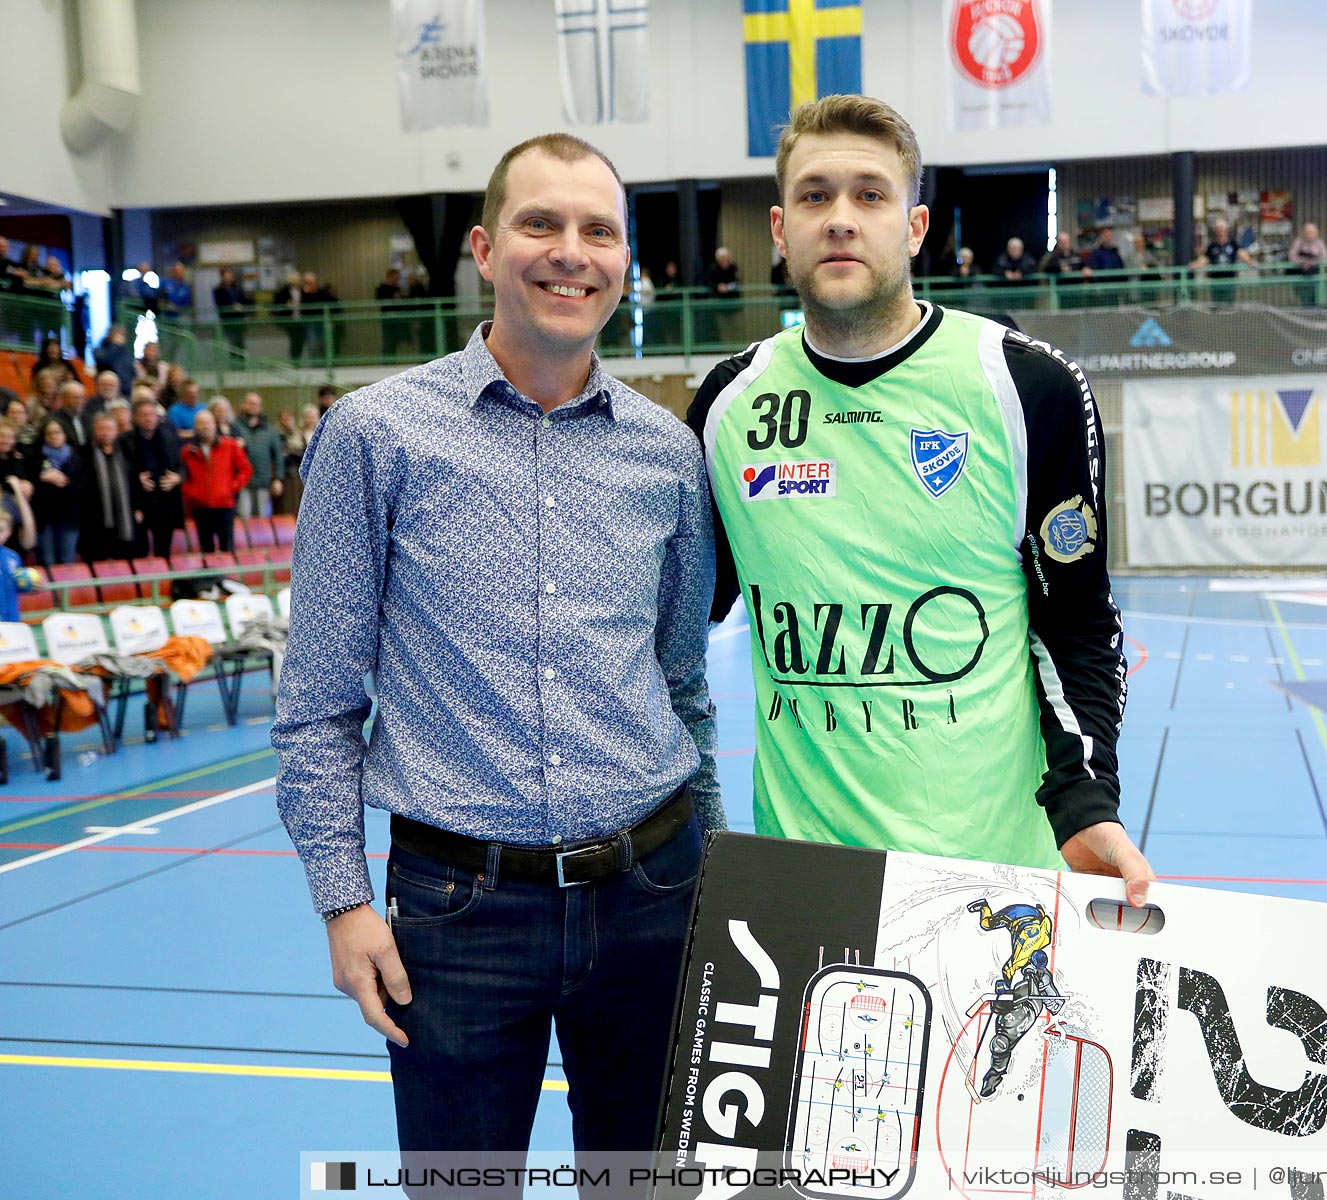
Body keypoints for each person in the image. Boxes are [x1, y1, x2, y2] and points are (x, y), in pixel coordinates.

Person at [271, 131, 721, 1188]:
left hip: (658, 892)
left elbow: (682, 686)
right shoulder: (376, 436)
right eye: (541, 223)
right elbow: (319, 704)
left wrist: (721, 878)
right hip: (458, 912)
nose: (571, 251)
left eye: (598, 231)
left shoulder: (669, 456)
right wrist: (343, 903)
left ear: (625, 262)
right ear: (483, 247)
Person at [687, 94, 1151, 901]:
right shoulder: (730, 405)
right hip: (805, 885)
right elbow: (678, 623)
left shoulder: (1023, 386)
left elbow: (1075, 623)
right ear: (778, 229)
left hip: (993, 882)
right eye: (814, 195)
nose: (840, 219)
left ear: (914, 226)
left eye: (870, 195)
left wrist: (1086, 798)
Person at [180, 409, 251, 554]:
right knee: (206, 549)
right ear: (195, 427)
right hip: (200, 506)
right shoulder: (188, 451)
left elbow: (246, 470)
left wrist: (233, 487)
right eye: (201, 424)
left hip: (224, 505)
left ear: (214, 425)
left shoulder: (230, 446)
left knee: (227, 548)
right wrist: (191, 492)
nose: (205, 427)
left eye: (208, 423)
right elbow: (183, 476)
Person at [126, 396, 184, 559]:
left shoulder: (170, 437)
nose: (149, 418)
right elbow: (120, 472)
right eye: (144, 414)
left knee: (164, 550)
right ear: (135, 417)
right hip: (139, 503)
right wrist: (136, 479)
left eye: (152, 414)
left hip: (166, 502)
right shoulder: (125, 441)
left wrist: (177, 478)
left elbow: (184, 465)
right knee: (139, 550)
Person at [83, 414, 137, 562]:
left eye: (109, 429)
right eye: (101, 429)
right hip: (95, 521)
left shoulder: (126, 452)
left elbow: (135, 483)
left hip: (124, 519)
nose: (105, 433)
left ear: (116, 431)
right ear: (94, 431)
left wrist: (138, 508)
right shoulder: (84, 453)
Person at [32, 419, 85, 566]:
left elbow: (84, 487)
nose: (53, 436)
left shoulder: (76, 457)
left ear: (64, 434)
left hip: (69, 517)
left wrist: (65, 482)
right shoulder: (36, 457)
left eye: (57, 432)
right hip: (45, 518)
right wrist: (43, 478)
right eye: (49, 433)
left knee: (67, 562)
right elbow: (31, 486)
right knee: (47, 561)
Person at [236, 392, 285, 518]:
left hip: (263, 482)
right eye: (250, 403)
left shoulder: (270, 431)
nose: (253, 406)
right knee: (244, 517)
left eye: (256, 404)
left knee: (262, 520)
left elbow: (278, 456)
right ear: (243, 405)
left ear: (260, 407)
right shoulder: (234, 427)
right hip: (242, 482)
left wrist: (278, 479)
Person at [1193, 218, 1255, 305]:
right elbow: (1205, 258)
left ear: (1226, 231)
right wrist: (1195, 264)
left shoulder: (1232, 244)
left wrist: (1250, 261)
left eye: (1222, 230)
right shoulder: (1212, 246)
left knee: (1229, 303)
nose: (1221, 232)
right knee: (1217, 303)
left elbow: (1241, 253)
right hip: (1216, 280)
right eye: (1218, 230)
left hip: (1229, 279)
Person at [213, 267, 252, 356]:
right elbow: (220, 304)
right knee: (233, 343)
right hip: (228, 320)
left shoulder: (238, 288)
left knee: (241, 343)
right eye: (226, 276)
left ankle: (242, 365)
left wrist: (243, 306)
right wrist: (232, 307)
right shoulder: (218, 290)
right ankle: (234, 362)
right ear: (222, 277)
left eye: (230, 275)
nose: (229, 278)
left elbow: (245, 300)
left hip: (240, 319)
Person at [1287, 222, 1327, 304]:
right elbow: (1292, 256)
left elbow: (1325, 257)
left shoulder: (1319, 243)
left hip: (1315, 277)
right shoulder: (1298, 242)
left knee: (1315, 299)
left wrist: (1313, 262)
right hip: (1301, 277)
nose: (1310, 235)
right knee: (1304, 299)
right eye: (1307, 232)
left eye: (1312, 232)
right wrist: (1302, 262)